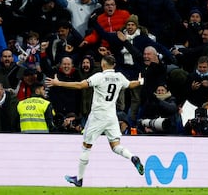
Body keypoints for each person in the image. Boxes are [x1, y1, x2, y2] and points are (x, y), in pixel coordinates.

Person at [45, 55, 144, 187]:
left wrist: (59, 83)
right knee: (115, 146)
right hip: (111, 116)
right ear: (113, 65)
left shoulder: (100, 76)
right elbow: (130, 84)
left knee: (86, 147)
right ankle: (132, 157)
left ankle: (79, 179)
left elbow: (80, 85)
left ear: (103, 64)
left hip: (98, 115)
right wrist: (140, 82)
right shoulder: (119, 76)